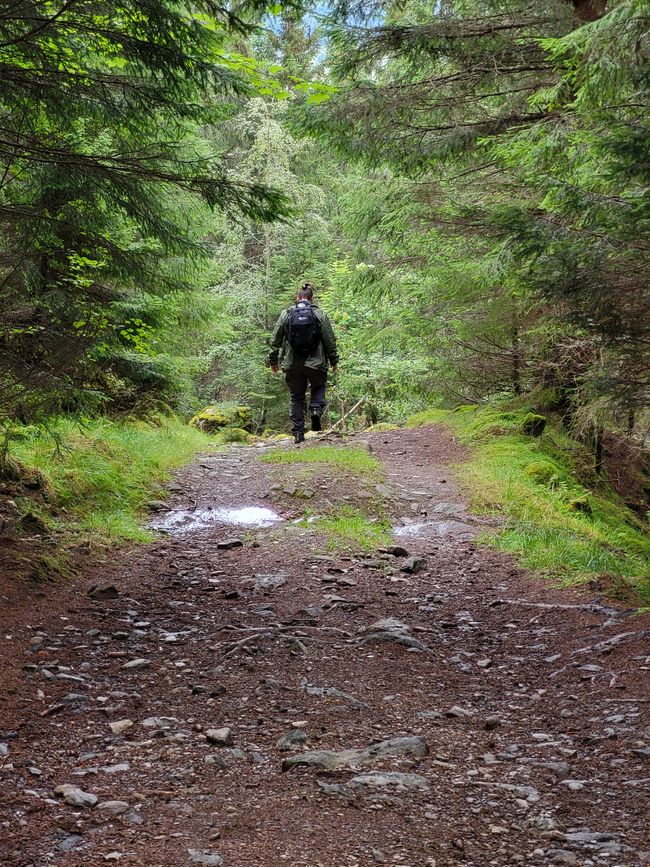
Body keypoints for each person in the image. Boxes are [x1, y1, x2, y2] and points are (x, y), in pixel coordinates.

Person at [267, 283, 339, 444]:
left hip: (293, 364)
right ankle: (315, 409)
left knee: (296, 397)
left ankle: (298, 433)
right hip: (317, 363)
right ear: (312, 298)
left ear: (297, 297)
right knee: (318, 387)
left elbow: (275, 339)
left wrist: (273, 360)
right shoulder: (320, 314)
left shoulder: (286, 314)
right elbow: (329, 340)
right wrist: (334, 360)